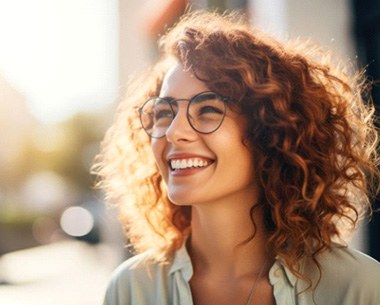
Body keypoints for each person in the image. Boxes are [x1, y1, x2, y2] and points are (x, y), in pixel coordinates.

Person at [94, 10, 380, 305]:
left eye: (208, 110)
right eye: (164, 113)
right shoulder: (131, 289)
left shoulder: (357, 287)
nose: (174, 132)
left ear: (270, 131)